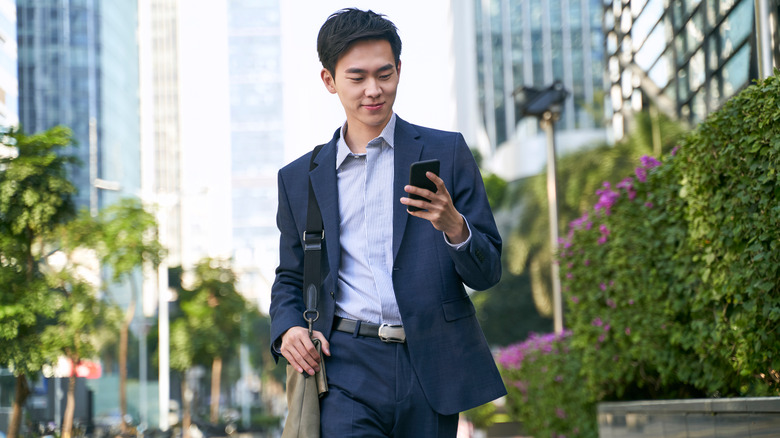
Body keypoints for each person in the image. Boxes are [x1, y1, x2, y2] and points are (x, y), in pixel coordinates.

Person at [269, 8, 505, 437]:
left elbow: (488, 272)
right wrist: (287, 327)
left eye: (384, 74)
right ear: (329, 81)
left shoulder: (447, 154)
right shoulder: (298, 179)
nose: (373, 91)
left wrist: (455, 226)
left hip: (431, 363)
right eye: (357, 78)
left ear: (399, 69)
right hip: (345, 366)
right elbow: (290, 275)